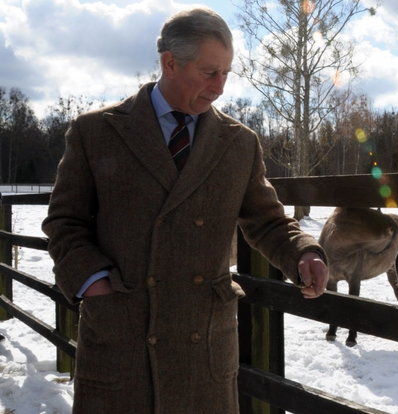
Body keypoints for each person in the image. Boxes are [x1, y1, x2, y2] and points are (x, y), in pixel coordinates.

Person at [42, 7, 329, 413]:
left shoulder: (239, 143)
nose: (220, 87)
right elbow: (64, 223)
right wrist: (93, 282)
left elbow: (266, 220)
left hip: (203, 346)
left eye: (227, 73)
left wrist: (305, 251)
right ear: (170, 62)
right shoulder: (96, 131)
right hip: (122, 338)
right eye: (210, 73)